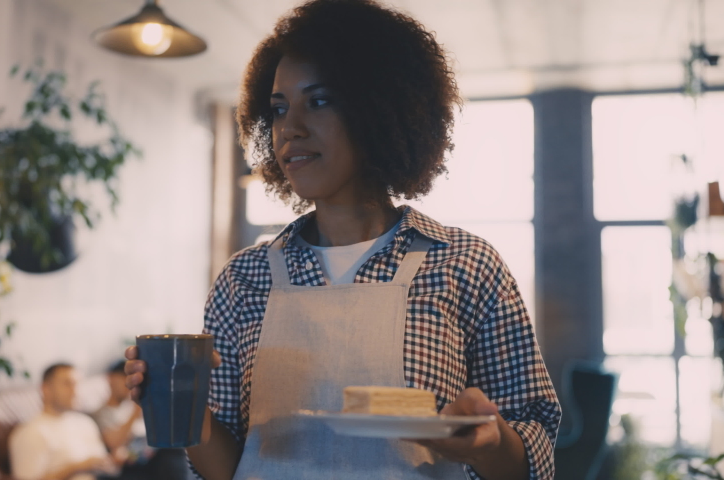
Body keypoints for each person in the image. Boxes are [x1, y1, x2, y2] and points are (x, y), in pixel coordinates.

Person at [125, 0, 561, 479]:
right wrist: (179, 403)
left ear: (380, 109)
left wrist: (491, 442)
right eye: (278, 109)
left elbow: (534, 450)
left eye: (319, 100)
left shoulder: (465, 264)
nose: (290, 129)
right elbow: (224, 470)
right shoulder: (242, 280)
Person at [9, 363, 121, 480]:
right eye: (68, 384)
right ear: (46, 389)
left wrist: (113, 462)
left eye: (77, 384)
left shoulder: (85, 423)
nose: (75, 391)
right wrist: (75, 468)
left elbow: (106, 464)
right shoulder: (31, 432)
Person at [93, 361, 192, 480]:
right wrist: (137, 411)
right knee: (171, 452)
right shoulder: (102, 413)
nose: (128, 383)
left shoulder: (133, 406)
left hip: (151, 454)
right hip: (132, 462)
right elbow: (114, 442)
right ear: (110, 378)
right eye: (123, 377)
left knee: (176, 445)